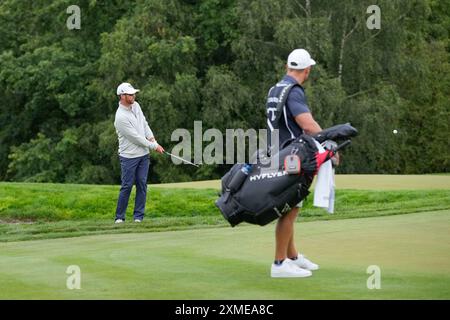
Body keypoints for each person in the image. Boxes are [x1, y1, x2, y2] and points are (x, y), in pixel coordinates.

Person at [266, 49, 323, 278]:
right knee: (289, 209)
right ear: (307, 70)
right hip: (292, 155)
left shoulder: (275, 89)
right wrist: (327, 143)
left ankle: (292, 257)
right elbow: (307, 124)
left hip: (278, 152)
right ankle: (280, 264)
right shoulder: (294, 91)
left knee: (292, 206)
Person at [113, 82, 164, 224]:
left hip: (143, 155)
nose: (133, 96)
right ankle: (119, 217)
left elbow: (144, 124)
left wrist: (152, 137)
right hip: (128, 156)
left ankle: (138, 217)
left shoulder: (136, 106)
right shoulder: (120, 117)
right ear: (122, 96)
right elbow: (136, 138)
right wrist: (154, 146)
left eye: (134, 93)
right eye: (130, 94)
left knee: (142, 184)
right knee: (127, 185)